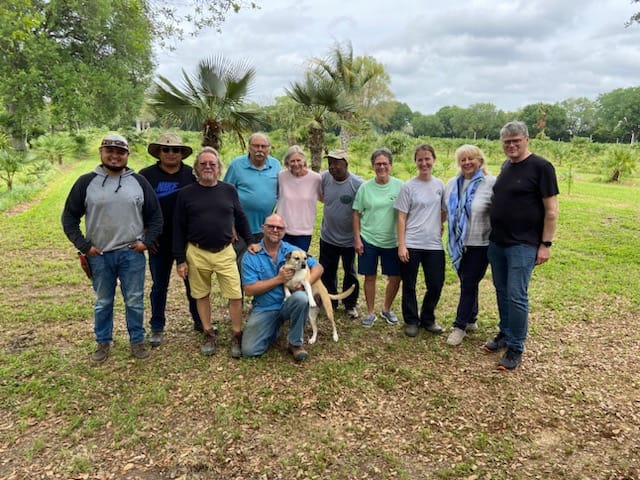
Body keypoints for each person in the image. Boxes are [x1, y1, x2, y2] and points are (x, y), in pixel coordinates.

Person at [61, 134, 163, 363]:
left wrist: (146, 243)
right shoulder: (86, 182)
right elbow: (69, 217)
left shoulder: (138, 182)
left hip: (131, 254)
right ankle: (103, 342)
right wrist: (84, 246)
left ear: (127, 155)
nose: (115, 156)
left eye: (120, 152)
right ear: (101, 152)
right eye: (110, 151)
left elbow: (156, 216)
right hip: (100, 254)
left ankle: (137, 341)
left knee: (135, 300)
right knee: (103, 301)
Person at [484, 121, 559, 371]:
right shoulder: (507, 166)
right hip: (498, 242)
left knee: (517, 295)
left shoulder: (542, 167)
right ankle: (505, 333)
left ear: (526, 139)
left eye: (516, 140)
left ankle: (516, 346)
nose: (512, 145)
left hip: (523, 244)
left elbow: (551, 211)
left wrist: (545, 244)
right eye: (507, 142)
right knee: (501, 291)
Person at [173, 147, 258, 357]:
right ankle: (209, 332)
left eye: (212, 164)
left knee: (235, 295)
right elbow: (178, 227)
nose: (208, 167)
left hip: (225, 251)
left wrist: (250, 242)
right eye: (203, 164)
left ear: (219, 168)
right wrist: (180, 260)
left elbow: (240, 217)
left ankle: (237, 334)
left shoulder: (228, 190)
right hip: (196, 252)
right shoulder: (186, 194)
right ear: (196, 168)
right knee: (201, 295)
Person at [139, 133, 202, 347]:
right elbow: (135, 207)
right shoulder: (145, 176)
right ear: (158, 152)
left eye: (176, 149)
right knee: (159, 285)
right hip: (158, 241)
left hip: (187, 240)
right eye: (166, 149)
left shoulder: (191, 174)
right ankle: (157, 326)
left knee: (193, 284)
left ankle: (200, 320)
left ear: (182, 153)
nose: (171, 153)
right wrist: (146, 233)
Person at [241, 214, 324, 362]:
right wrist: (278, 279)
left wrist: (305, 283)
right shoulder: (251, 255)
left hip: (288, 303)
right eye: (271, 226)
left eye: (279, 228)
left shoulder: (293, 251)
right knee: (249, 350)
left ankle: (295, 343)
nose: (275, 230)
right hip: (265, 307)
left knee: (301, 298)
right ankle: (274, 327)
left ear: (284, 231)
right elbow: (248, 290)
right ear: (263, 228)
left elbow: (318, 267)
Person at [444, 144, 496, 346]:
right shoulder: (451, 183)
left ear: (480, 161)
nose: (467, 162)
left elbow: (500, 210)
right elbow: (444, 209)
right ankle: (472, 318)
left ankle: (459, 326)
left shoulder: (491, 183)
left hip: (480, 243)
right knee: (468, 281)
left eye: (471, 158)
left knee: (468, 283)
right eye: (463, 159)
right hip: (458, 243)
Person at [394, 143, 446, 338]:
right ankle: (411, 320)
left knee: (436, 283)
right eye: (420, 160)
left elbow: (443, 210)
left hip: (433, 244)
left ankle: (427, 318)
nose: (424, 163)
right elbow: (401, 217)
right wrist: (402, 244)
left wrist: (438, 224)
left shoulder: (440, 185)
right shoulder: (408, 187)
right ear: (415, 162)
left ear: (433, 160)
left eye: (427, 159)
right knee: (409, 284)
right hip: (412, 243)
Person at [352, 148, 403, 328]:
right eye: (378, 164)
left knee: (395, 277)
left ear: (391, 165)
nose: (382, 167)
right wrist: (357, 239)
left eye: (385, 163)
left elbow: (406, 214)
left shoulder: (400, 186)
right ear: (373, 166)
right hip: (369, 238)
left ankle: (387, 309)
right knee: (370, 277)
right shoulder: (365, 188)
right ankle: (371, 312)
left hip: (393, 241)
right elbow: (356, 214)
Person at [319, 149, 363, 319]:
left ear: (346, 164)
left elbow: (361, 210)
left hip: (349, 239)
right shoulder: (324, 178)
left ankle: (350, 304)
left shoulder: (357, 184)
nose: (333, 167)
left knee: (350, 271)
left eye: (337, 163)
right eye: (330, 163)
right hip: (327, 236)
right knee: (327, 271)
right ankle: (330, 301)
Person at [224, 132, 280, 244]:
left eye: (263, 146)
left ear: (268, 149)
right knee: (241, 260)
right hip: (240, 228)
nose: (260, 149)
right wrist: (229, 225)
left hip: (266, 229)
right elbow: (224, 196)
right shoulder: (236, 165)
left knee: (263, 260)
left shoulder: (276, 165)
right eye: (256, 146)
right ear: (249, 147)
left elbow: (280, 192)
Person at [276, 145, 322, 251]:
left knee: (298, 263)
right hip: (283, 229)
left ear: (304, 161)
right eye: (292, 161)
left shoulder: (315, 178)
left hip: (304, 230)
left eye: (298, 160)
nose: (296, 164)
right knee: (282, 261)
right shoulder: (281, 176)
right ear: (287, 162)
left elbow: (323, 198)